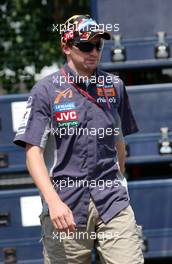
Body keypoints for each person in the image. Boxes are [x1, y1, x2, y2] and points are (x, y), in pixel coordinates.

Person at [14, 14, 144, 264]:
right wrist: (53, 202)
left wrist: (118, 182)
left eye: (98, 45)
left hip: (112, 203)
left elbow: (118, 143)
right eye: (85, 45)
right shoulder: (46, 90)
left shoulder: (114, 86)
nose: (94, 52)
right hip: (65, 207)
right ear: (66, 47)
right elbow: (33, 154)